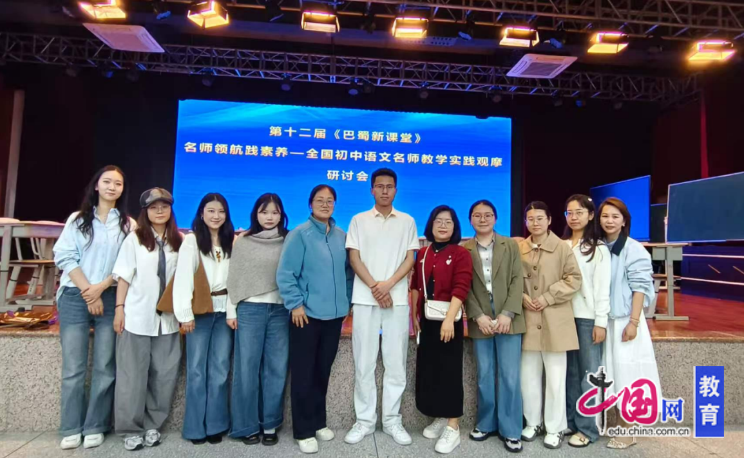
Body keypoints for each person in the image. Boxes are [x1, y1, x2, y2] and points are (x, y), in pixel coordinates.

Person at [53, 165, 134, 450]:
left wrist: (100, 289)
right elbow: (64, 256)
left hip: (109, 297)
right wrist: (89, 292)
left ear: (122, 190)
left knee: (105, 366)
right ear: (96, 186)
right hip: (75, 295)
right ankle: (71, 427)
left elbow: (127, 265)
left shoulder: (128, 225)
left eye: (118, 184)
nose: (112, 187)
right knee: (73, 368)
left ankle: (96, 425)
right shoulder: (77, 219)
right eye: (107, 182)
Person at [344, 168, 419, 447]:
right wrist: (376, 287)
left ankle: (391, 420)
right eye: (379, 186)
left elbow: (410, 259)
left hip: (396, 299)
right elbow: (354, 258)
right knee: (363, 362)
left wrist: (387, 285)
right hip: (365, 299)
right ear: (372, 190)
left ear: (396, 190)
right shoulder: (358, 220)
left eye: (389, 186)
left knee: (395, 362)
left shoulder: (407, 221)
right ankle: (364, 421)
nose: (384, 191)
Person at [276, 185, 353, 454]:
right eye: (320, 200)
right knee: (303, 373)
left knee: (322, 371)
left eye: (330, 200)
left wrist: (346, 302)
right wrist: (295, 305)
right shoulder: (300, 234)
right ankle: (303, 430)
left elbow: (348, 274)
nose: (325, 204)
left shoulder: (341, 236)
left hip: (334, 316)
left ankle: (319, 421)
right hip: (305, 316)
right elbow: (286, 274)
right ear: (310, 204)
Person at [112, 188, 183, 451]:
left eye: (164, 206)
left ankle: (153, 425)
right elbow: (124, 276)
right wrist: (119, 308)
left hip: (169, 320)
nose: (160, 211)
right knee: (132, 376)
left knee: (164, 376)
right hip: (137, 317)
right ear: (146, 211)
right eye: (154, 207)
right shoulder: (134, 239)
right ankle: (130, 429)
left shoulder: (179, 241)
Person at [462, 200, 525, 453]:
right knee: (485, 374)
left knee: (510, 376)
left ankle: (511, 430)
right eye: (477, 215)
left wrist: (508, 314)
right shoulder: (465, 249)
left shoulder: (510, 245)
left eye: (488, 215)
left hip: (509, 319)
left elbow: (517, 280)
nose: (483, 219)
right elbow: (464, 286)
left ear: (495, 218)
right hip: (481, 321)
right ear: (470, 220)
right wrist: (477, 315)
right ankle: (486, 423)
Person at [598, 197, 661, 450]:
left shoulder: (634, 249)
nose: (609, 221)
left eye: (615, 216)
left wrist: (634, 322)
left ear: (624, 221)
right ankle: (616, 424)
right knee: (610, 374)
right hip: (604, 321)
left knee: (628, 374)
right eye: (605, 216)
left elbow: (641, 288)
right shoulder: (598, 246)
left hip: (625, 321)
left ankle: (628, 430)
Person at [518, 201, 582, 449]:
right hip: (528, 319)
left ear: (550, 220)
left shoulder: (562, 248)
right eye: (530, 219)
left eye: (540, 218)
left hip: (555, 319)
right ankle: (532, 422)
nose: (535, 223)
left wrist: (548, 297)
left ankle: (554, 427)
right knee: (528, 376)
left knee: (556, 378)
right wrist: (522, 297)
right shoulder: (519, 248)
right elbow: (512, 279)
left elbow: (574, 279)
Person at [227, 193, 289, 446]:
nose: (269, 217)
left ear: (281, 215)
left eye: (274, 212)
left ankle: (270, 424)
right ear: (256, 214)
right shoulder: (243, 240)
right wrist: (231, 311)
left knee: (276, 368)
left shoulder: (289, 240)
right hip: (249, 310)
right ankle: (247, 425)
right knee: (247, 369)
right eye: (264, 212)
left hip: (281, 311)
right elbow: (234, 277)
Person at [410, 205, 473, 455]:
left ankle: (453, 426)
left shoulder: (460, 253)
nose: (443, 225)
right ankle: (440, 415)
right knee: (431, 369)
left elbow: (461, 286)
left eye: (448, 221)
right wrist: (413, 316)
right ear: (431, 224)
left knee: (449, 371)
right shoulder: (423, 253)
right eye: (439, 221)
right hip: (426, 319)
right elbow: (416, 285)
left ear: (455, 226)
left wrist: (449, 320)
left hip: (449, 320)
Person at [173, 193, 235, 445]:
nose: (216, 216)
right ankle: (195, 428)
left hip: (223, 313)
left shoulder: (232, 241)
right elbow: (183, 278)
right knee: (197, 370)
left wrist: (232, 311)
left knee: (220, 369)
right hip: (199, 312)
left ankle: (215, 425)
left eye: (221, 211)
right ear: (201, 213)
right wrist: (184, 314)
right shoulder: (192, 240)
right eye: (211, 210)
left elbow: (235, 281)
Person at [562, 194, 611, 448]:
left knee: (588, 375)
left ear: (591, 215)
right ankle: (571, 422)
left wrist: (600, 322)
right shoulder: (562, 245)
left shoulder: (598, 249)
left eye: (579, 212)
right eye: (569, 213)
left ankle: (588, 429)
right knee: (569, 374)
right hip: (563, 318)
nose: (573, 217)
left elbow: (602, 289)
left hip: (587, 319)